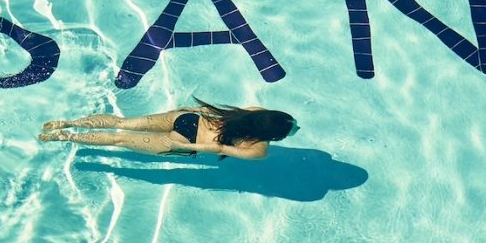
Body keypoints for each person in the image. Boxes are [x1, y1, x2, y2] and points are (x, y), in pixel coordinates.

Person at [39, 98, 298, 159]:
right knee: (119, 140)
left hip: (187, 119)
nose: (296, 127)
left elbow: (222, 114)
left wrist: (192, 110)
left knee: (122, 123)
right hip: (185, 139)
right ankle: (64, 136)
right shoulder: (259, 149)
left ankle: (67, 123)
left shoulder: (256, 111)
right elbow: (219, 148)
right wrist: (185, 146)